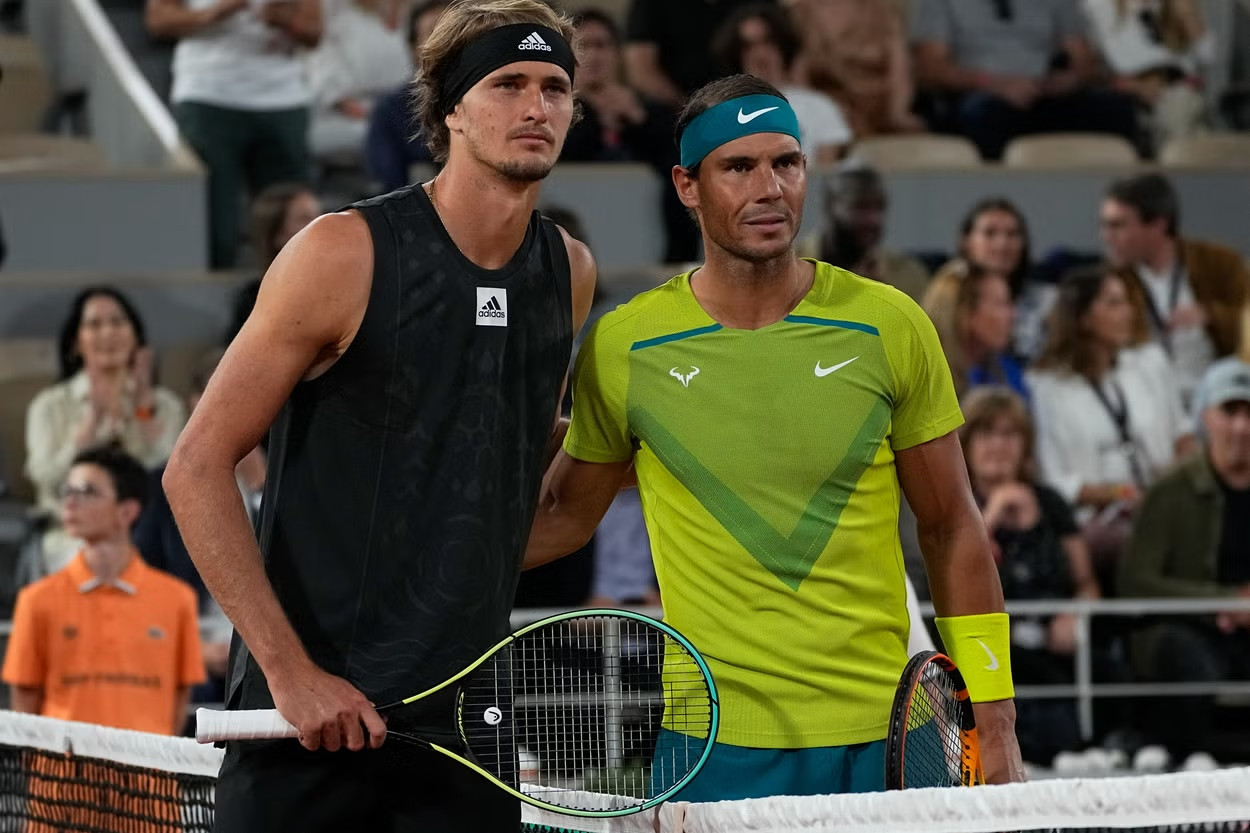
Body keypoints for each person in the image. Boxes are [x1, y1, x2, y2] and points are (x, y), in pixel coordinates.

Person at [526, 74, 1024, 800]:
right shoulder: (625, 345)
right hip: (711, 746)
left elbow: (952, 525)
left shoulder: (890, 324)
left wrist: (997, 718)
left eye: (786, 163)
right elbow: (561, 515)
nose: (770, 189)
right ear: (687, 186)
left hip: (888, 735)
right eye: (739, 167)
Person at [161, 1, 595, 829]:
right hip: (309, 721)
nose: (536, 107)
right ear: (452, 110)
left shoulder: (566, 272)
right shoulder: (341, 252)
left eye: (555, 88)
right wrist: (290, 673)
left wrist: (643, 443)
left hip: (463, 727)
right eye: (508, 84)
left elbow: (510, 477)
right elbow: (195, 466)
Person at [3, 446, 205, 735]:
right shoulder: (36, 600)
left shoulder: (177, 600)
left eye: (87, 491)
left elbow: (178, 697)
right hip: (60, 765)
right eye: (67, 490)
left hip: (147, 764)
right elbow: (25, 704)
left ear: (127, 511)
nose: (70, 501)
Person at [958, 387, 1101, 762]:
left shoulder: (1051, 503)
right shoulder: (955, 505)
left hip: (1053, 639)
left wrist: (1073, 615)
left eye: (1010, 434)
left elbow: (1086, 582)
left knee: (1106, 666)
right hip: (992, 642)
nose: (999, 445)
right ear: (966, 444)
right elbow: (957, 573)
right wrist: (991, 515)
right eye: (987, 433)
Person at [1026, 265, 1191, 588]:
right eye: (1114, 303)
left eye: (1126, 302)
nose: (1128, 312)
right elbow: (1055, 480)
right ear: (1083, 318)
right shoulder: (1045, 387)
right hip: (1095, 519)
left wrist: (1170, 490)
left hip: (1163, 503)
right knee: (1131, 543)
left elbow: (1183, 436)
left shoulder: (1150, 363)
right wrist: (1122, 494)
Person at [1120, 357, 1250, 761]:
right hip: (1184, 629)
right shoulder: (1169, 492)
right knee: (1187, 656)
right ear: (1205, 417)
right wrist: (1224, 602)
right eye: (1229, 411)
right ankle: (1189, 754)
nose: (1241, 426)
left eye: (1248, 413)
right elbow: (1136, 582)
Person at [147, 0, 322, 268]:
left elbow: (315, 31)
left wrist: (285, 21)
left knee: (292, 222)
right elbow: (158, 20)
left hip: (282, 98)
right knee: (215, 226)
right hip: (208, 95)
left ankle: (296, 289)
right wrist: (217, 11)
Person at [25, 287, 186, 575]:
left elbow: (173, 480)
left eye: (117, 322)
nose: (108, 332)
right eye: (94, 324)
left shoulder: (164, 405)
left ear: (136, 336)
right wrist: (91, 423)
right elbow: (46, 480)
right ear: (76, 343)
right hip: (74, 534)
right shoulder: (49, 406)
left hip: (153, 531)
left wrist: (144, 414)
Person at [911, 0, 1140, 160]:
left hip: (1044, 93)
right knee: (981, 115)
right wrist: (997, 85)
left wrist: (1068, 81)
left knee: (1117, 110)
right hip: (981, 95)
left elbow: (1083, 58)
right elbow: (931, 68)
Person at [1099, 173, 1249, 408]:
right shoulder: (1109, 280)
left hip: (1218, 399)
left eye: (1118, 226)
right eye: (1104, 225)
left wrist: (1210, 315)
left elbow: (1245, 319)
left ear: (1158, 225)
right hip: (1147, 404)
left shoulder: (1219, 264)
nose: (1107, 237)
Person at [711, 3, 853, 164]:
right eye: (748, 47)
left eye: (767, 42)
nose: (760, 54)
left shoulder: (818, 106)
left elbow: (827, 168)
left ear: (782, 46)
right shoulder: (723, 115)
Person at [782, 0, 925, 137]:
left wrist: (898, 111)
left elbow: (899, 69)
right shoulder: (799, 13)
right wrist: (817, 112)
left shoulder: (880, 11)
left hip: (879, 106)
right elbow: (797, 71)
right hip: (828, 103)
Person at [1082, 0, 1213, 148]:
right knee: (1182, 117)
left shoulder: (1172, 7)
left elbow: (1208, 56)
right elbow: (1089, 66)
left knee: (1186, 111)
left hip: (1180, 89)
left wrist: (1189, 15)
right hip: (1131, 91)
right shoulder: (1099, 6)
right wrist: (1134, 86)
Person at [932, 198, 1050, 361]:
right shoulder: (944, 292)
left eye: (1012, 234)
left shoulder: (1049, 302)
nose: (1002, 244)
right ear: (966, 241)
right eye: (990, 233)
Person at [306, 0, 411, 165]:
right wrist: (365, 112)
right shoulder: (339, 26)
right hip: (353, 116)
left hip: (402, 110)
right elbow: (326, 82)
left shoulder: (409, 22)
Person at [804, 166, 930, 303]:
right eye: (860, 207)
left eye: (879, 207)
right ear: (829, 207)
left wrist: (881, 298)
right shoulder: (793, 266)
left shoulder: (908, 275)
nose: (873, 220)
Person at [364, 0, 450, 192]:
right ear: (413, 48)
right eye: (434, 33)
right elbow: (387, 189)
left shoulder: (491, 98)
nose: (447, 42)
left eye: (453, 32)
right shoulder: (390, 110)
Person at [923, 261, 1028, 400]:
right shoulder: (921, 379)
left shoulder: (1008, 374)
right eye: (1001, 304)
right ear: (964, 312)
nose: (1013, 315)